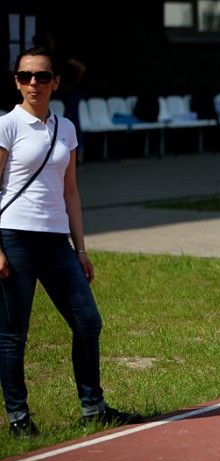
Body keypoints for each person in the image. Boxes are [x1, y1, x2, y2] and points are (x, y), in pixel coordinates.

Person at [0, 47, 141, 437]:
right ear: (16, 81)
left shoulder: (66, 128)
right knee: (13, 333)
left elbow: (71, 192)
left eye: (42, 76)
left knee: (87, 322)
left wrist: (80, 249)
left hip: (56, 241)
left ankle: (93, 408)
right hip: (15, 236)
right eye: (26, 76)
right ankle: (18, 418)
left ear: (56, 82)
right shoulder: (7, 125)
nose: (34, 83)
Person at [32, 31, 87, 163]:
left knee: (71, 119)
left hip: (71, 92)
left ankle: (78, 153)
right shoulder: (44, 58)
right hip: (57, 92)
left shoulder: (61, 54)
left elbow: (81, 68)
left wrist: (72, 84)